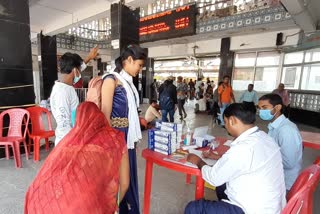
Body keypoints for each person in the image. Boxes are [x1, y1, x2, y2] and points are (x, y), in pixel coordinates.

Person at [24, 102, 130, 214]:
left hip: (47, 205)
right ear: (100, 116)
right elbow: (124, 184)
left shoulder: (68, 143)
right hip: (89, 207)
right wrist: (114, 206)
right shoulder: (114, 140)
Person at [185, 103, 286, 214]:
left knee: (193, 209)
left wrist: (197, 160)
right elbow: (247, 161)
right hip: (272, 204)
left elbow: (213, 178)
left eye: (226, 122)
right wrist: (217, 157)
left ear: (232, 120)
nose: (226, 126)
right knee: (222, 185)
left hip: (252, 209)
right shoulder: (265, 138)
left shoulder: (242, 148)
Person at [101, 44, 146, 214]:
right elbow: (105, 114)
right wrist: (110, 144)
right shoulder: (111, 80)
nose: (140, 70)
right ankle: (110, 210)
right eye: (139, 65)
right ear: (129, 60)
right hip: (116, 137)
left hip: (128, 137)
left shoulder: (129, 84)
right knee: (120, 181)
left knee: (128, 180)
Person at [258, 93, 303, 192]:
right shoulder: (276, 126)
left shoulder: (286, 130)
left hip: (284, 183)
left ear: (277, 107)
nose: (260, 111)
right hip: (276, 176)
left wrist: (263, 157)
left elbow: (289, 163)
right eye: (259, 108)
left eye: (264, 107)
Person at [50, 52, 82, 146]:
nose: (80, 73)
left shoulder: (67, 88)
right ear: (75, 70)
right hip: (66, 142)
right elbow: (64, 122)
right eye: (80, 70)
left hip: (71, 138)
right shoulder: (62, 92)